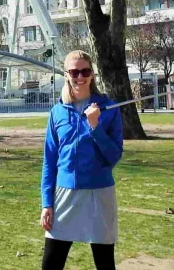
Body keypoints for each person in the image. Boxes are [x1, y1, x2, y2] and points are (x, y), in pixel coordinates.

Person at [40, 50, 123, 270]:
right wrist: (46, 203)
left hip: (99, 193)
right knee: (50, 264)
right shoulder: (57, 111)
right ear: (66, 74)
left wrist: (95, 126)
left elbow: (113, 156)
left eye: (85, 71)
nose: (80, 76)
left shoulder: (109, 108)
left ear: (92, 74)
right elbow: (49, 161)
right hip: (64, 194)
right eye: (74, 71)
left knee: (105, 263)